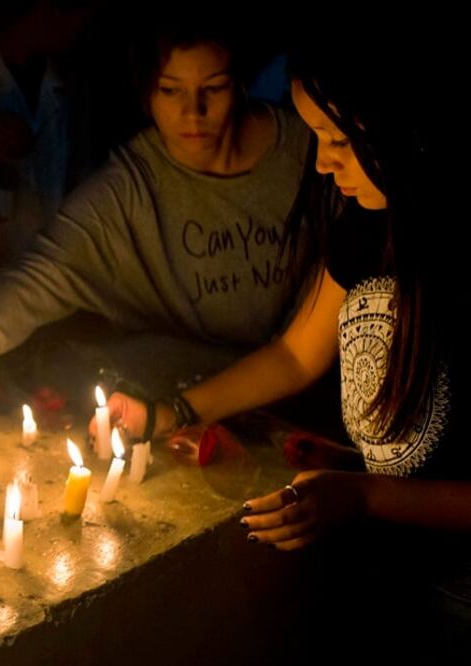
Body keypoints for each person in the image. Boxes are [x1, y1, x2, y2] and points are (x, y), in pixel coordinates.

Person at [109, 26, 468, 650]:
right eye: (317, 137)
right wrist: (172, 412)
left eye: (340, 140)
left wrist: (364, 495)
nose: (323, 162)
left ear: (409, 128)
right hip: (388, 572)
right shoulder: (369, 225)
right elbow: (296, 354)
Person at [0, 23, 313, 442]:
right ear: (146, 93)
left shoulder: (315, 157)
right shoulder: (129, 191)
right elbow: (37, 275)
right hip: (182, 405)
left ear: (241, 84)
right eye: (170, 90)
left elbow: (301, 353)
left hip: (305, 413)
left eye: (214, 88)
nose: (193, 111)